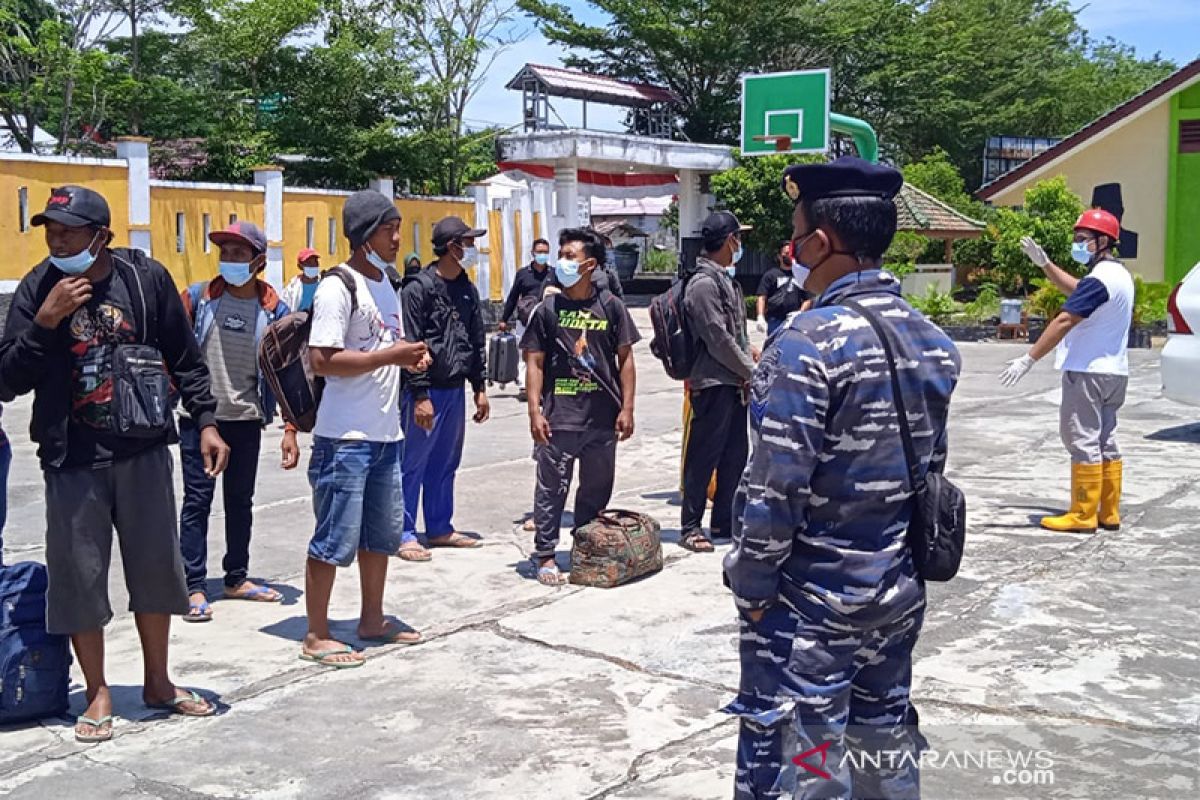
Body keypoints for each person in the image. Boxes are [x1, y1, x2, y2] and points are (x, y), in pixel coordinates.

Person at [722, 157, 961, 799]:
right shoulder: (935, 340)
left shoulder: (806, 341)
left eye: (797, 235)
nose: (793, 249)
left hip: (810, 603)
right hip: (897, 589)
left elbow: (775, 489)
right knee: (883, 747)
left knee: (806, 761)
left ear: (820, 242)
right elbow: (929, 469)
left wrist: (750, 583)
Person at [0, 185, 229, 741]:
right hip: (71, 456)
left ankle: (157, 680)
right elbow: (6, 379)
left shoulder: (144, 281)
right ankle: (98, 690)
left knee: (156, 568)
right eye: (50, 231)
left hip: (144, 447)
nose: (56, 240)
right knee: (79, 578)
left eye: (68, 231)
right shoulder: (37, 288)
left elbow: (184, 356)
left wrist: (206, 420)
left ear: (100, 235)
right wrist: (45, 323)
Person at [301, 189, 431, 668]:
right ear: (361, 235)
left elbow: (384, 346)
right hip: (345, 439)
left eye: (397, 226)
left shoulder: (388, 284)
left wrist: (409, 355)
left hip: (384, 435)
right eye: (387, 228)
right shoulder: (339, 286)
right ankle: (316, 633)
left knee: (380, 536)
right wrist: (390, 356)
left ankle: (372, 618)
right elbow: (323, 360)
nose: (397, 237)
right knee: (334, 537)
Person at [177, 222, 291, 622]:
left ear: (259, 261)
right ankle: (191, 585)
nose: (229, 260)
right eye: (225, 252)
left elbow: (288, 371)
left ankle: (236, 577)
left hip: (245, 418)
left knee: (240, 502)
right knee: (197, 501)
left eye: (239, 254)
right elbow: (173, 352)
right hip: (198, 420)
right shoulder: (197, 298)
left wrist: (290, 428)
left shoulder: (274, 310)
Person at [1000, 210, 1132, 533]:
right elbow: (1076, 289)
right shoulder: (1118, 276)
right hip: (1115, 373)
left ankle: (1082, 513)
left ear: (1103, 242)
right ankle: (1107, 511)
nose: (1077, 244)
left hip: (1087, 373)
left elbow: (1063, 319)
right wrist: (1044, 264)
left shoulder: (1100, 279)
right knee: (1106, 439)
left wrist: (1028, 358)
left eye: (1083, 239)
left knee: (1082, 438)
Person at [521, 228, 639, 585]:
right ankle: (545, 555)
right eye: (561, 254)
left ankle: (585, 547)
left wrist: (628, 408)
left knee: (596, 488)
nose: (562, 261)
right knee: (551, 489)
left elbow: (626, 359)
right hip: (560, 418)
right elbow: (534, 363)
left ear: (589, 264)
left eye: (570, 256)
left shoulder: (611, 307)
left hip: (602, 417)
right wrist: (534, 411)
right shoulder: (548, 309)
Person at [398, 216, 490, 561]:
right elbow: (411, 342)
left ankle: (439, 526)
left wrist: (479, 386)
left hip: (455, 390)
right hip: (426, 392)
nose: (470, 249)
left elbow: (476, 340)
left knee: (446, 462)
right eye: (466, 243)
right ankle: (404, 531)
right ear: (451, 247)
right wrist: (419, 395)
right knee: (413, 462)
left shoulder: (467, 289)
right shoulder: (417, 289)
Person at [679, 211, 758, 553]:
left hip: (733, 382)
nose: (740, 245)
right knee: (703, 456)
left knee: (734, 456)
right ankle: (691, 526)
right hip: (712, 382)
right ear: (730, 241)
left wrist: (749, 356)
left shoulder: (725, 280)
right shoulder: (703, 284)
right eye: (738, 238)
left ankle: (725, 522)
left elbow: (734, 334)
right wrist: (751, 372)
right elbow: (717, 338)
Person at [500, 238, 554, 401]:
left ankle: (544, 385)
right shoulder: (523, 274)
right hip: (525, 319)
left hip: (546, 320)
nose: (542, 255)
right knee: (525, 352)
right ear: (532, 253)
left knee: (546, 352)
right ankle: (524, 386)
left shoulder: (553, 273)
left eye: (545, 252)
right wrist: (504, 319)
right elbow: (513, 297)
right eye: (539, 252)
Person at [755, 240, 809, 337]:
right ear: (779, 256)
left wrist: (800, 313)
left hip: (794, 320)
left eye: (791, 253)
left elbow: (808, 299)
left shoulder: (800, 275)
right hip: (775, 320)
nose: (789, 256)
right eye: (786, 253)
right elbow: (761, 297)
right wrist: (760, 316)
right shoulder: (771, 275)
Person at [280, 247, 321, 313]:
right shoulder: (292, 288)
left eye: (315, 261)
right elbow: (284, 308)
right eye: (309, 263)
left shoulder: (324, 284)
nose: (313, 265)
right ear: (300, 266)